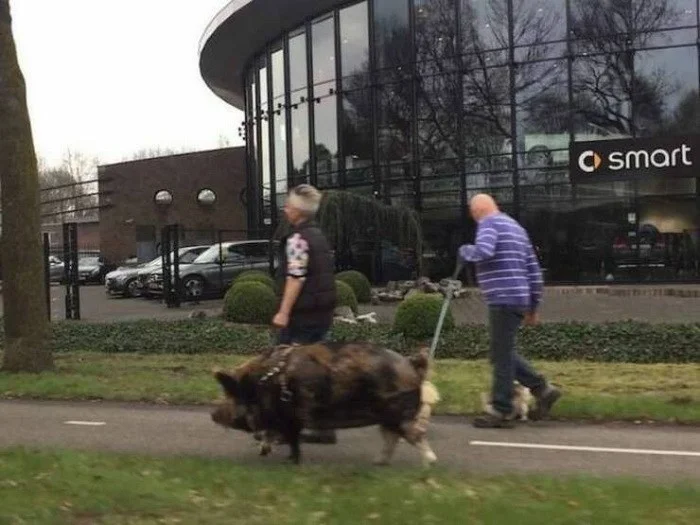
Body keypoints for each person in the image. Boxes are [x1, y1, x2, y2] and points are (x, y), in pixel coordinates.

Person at [458, 194, 561, 428]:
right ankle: (542, 390)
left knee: (501, 356)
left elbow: (484, 251)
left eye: (472, 212)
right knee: (501, 352)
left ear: (476, 210)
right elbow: (534, 270)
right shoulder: (517, 228)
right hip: (519, 298)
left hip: (502, 297)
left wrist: (464, 251)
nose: (473, 217)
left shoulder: (488, 223)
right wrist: (533, 306)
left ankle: (502, 409)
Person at [273, 183, 337, 443]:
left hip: (302, 317)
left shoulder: (297, 240)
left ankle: (286, 427)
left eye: (288, 205)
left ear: (298, 211)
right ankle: (323, 425)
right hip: (321, 313)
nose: (285, 209)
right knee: (317, 369)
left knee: (285, 370)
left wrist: (283, 312)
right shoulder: (318, 236)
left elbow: (296, 278)